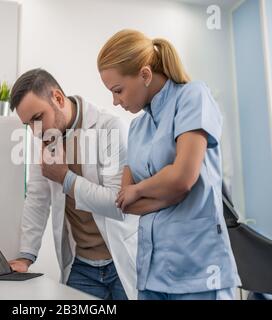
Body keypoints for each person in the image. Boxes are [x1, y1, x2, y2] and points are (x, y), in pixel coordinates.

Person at [96, 29, 241, 300]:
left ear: (145, 75)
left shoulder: (192, 96)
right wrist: (169, 192)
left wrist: (142, 190)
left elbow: (182, 179)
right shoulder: (138, 127)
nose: (115, 101)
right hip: (151, 273)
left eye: (118, 90)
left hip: (199, 273)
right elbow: (125, 201)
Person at [8, 68, 139, 300]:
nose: (34, 131)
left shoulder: (109, 128)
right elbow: (37, 199)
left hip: (121, 260)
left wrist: (65, 179)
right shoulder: (44, 138)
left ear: (58, 98)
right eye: (28, 124)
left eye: (37, 118)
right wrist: (26, 256)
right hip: (82, 268)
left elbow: (116, 202)